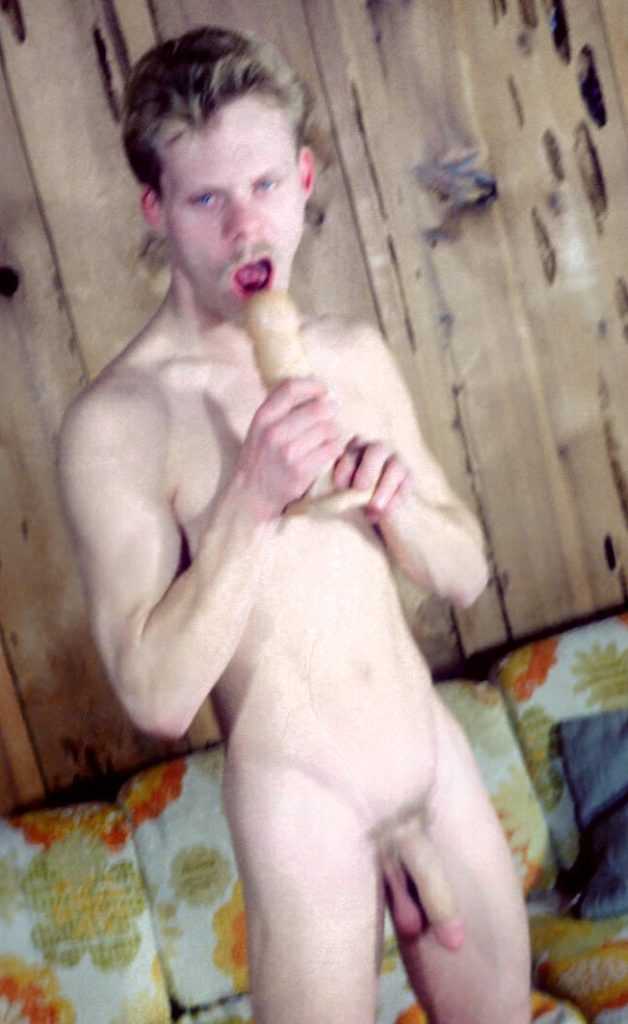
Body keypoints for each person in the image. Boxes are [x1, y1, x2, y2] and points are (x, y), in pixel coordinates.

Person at [58, 26, 531, 1024]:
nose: (246, 227)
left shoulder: (351, 353)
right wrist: (251, 498)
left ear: (305, 177)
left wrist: (397, 499)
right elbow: (156, 694)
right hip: (302, 804)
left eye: (267, 185)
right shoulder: (119, 422)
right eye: (206, 200)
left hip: (430, 760)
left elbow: (463, 574)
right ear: (155, 209)